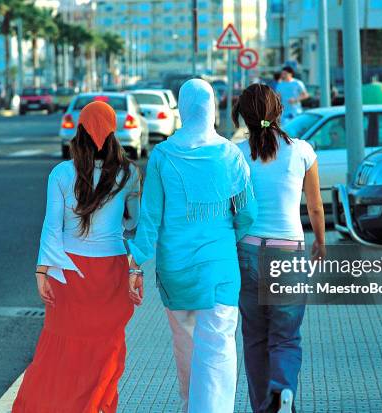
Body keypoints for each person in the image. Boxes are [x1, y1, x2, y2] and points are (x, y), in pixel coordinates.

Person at [127, 79, 257, 413]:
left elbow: (150, 216)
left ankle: (190, 405)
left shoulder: (162, 155)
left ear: (183, 109)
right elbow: (247, 213)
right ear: (212, 108)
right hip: (219, 267)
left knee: (185, 344)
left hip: (175, 270)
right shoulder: (229, 155)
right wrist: (228, 238)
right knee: (216, 346)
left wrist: (135, 263)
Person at [12, 101, 141, 413]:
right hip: (110, 272)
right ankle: (96, 405)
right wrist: (135, 270)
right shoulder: (129, 174)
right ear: (113, 132)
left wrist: (42, 272)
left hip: (68, 271)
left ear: (79, 132)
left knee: (60, 349)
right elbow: (135, 226)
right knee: (105, 348)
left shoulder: (60, 173)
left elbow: (51, 228)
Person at [232, 83, 326, 413]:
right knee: (286, 336)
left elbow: (231, 209)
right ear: (280, 112)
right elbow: (315, 206)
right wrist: (321, 241)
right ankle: (283, 388)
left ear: (242, 115)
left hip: (248, 252)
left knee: (255, 338)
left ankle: (263, 407)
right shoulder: (301, 150)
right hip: (288, 250)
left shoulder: (237, 155)